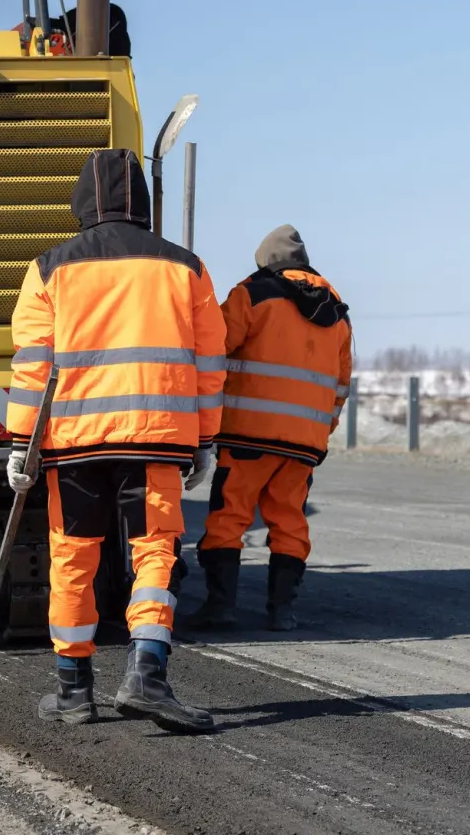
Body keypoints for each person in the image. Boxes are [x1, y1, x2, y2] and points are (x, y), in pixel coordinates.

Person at [6, 148, 225, 732]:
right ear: (144, 204)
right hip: (156, 439)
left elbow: (32, 365)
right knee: (154, 552)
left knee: (73, 558)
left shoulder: (49, 268)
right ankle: (147, 673)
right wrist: (204, 439)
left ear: (82, 203)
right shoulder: (186, 268)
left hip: (73, 443)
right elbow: (209, 364)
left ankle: (74, 692)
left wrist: (21, 444)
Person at [191, 225, 351, 632]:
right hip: (304, 445)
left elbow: (215, 347)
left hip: (247, 434)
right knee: (290, 521)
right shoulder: (337, 310)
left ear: (265, 259)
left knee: (230, 517)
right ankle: (283, 611)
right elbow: (342, 384)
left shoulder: (253, 294)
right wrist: (319, 431)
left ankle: (220, 606)